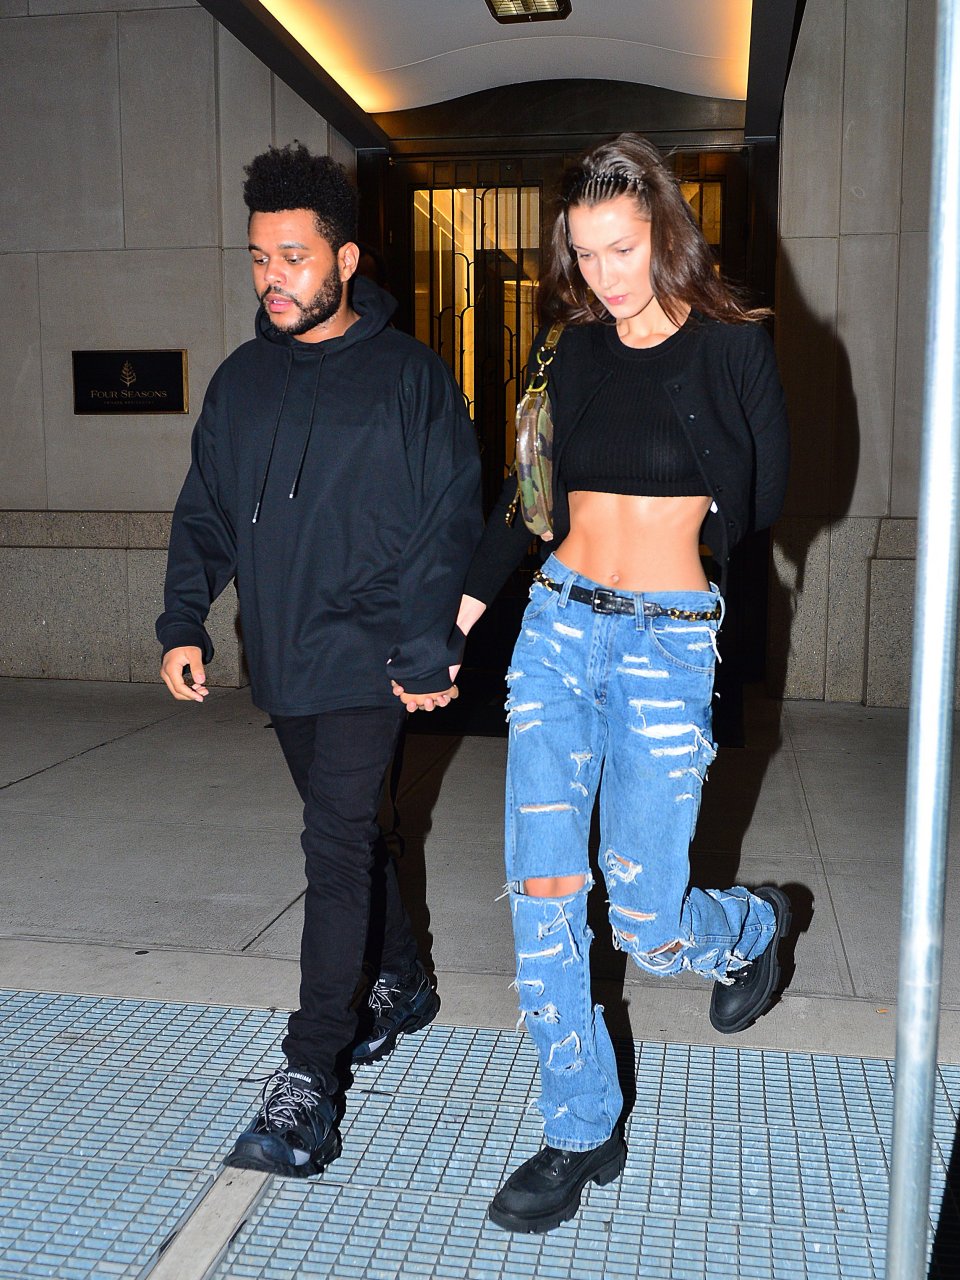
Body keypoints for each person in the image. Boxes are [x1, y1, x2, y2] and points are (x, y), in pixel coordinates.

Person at [452, 133, 791, 1233]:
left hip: (665, 643)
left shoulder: (732, 348)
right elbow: (525, 497)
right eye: (585, 251)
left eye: (622, 248)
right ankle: (578, 1123)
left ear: (665, 236)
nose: (603, 273)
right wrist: (457, 621)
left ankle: (749, 925)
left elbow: (766, 496)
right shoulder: (564, 350)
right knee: (544, 895)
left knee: (646, 918)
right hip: (555, 630)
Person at [157, 143, 482, 1177]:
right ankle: (405, 978)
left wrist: (426, 643)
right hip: (283, 658)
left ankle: (308, 1080)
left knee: (333, 847)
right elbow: (206, 510)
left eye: (293, 257)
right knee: (358, 834)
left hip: (372, 658)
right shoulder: (242, 381)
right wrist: (182, 620)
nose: (273, 278)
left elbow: (447, 521)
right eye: (259, 258)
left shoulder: (408, 377)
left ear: (344, 258)